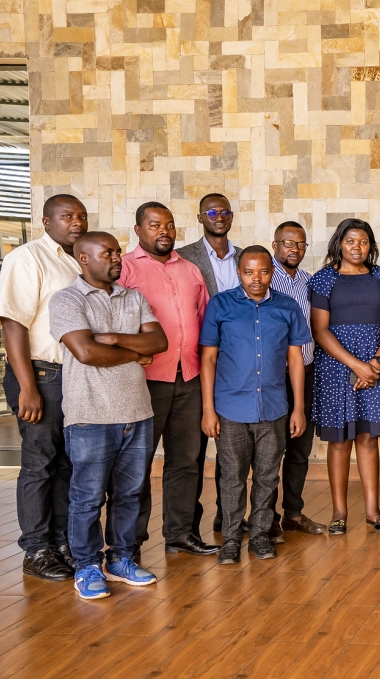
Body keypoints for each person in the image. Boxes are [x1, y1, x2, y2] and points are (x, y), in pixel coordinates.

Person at [50, 231, 168, 599]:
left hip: (138, 413)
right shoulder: (67, 299)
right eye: (109, 253)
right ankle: (86, 566)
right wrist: (136, 352)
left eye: (118, 252)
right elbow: (85, 352)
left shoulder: (133, 297)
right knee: (87, 498)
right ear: (84, 258)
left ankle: (121, 559)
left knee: (130, 494)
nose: (117, 258)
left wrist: (114, 339)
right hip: (90, 416)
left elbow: (159, 342)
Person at [119, 201, 219, 557]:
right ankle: (130, 543)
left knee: (186, 460)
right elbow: (114, 322)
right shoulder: (125, 269)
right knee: (137, 464)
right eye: (154, 225)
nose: (164, 231)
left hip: (189, 378)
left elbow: (207, 320)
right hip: (146, 380)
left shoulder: (190, 270)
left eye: (170, 225)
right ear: (138, 230)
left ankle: (179, 533)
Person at [200, 247, 311, 565]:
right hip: (231, 407)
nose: (256, 278)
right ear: (239, 273)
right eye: (249, 272)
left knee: (267, 476)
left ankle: (260, 535)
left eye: (262, 271)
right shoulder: (221, 305)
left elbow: (295, 358)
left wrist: (298, 407)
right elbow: (208, 357)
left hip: (274, 406)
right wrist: (208, 409)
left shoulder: (288, 307)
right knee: (232, 476)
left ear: (271, 272)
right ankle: (232, 539)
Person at [0, 194, 84, 581]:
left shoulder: (77, 261)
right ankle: (36, 549)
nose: (76, 222)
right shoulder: (27, 258)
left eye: (81, 216)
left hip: (73, 378)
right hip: (40, 375)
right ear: (46, 222)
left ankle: (60, 542)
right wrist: (27, 387)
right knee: (39, 465)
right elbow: (12, 323)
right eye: (67, 216)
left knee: (66, 463)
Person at [310, 219, 380, 535]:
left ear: (370, 245)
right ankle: (338, 512)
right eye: (350, 241)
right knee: (339, 441)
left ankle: (373, 511)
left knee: (367, 438)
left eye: (363, 241)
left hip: (377, 366)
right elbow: (319, 330)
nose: (356, 247)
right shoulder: (324, 279)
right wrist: (356, 366)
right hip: (337, 368)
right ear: (339, 243)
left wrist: (374, 364)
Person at [177, 192, 243, 534]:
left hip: (240, 368)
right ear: (201, 216)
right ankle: (186, 527)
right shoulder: (182, 258)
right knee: (192, 451)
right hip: (195, 364)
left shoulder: (247, 259)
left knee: (232, 450)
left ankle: (228, 517)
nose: (219, 216)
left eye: (225, 211)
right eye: (212, 211)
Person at [267, 221, 326, 537]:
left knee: (300, 447)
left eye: (301, 244)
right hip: (273, 377)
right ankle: (267, 519)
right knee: (270, 449)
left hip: (306, 373)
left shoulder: (308, 282)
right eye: (288, 243)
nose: (295, 249)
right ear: (275, 244)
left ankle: (292, 513)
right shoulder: (263, 278)